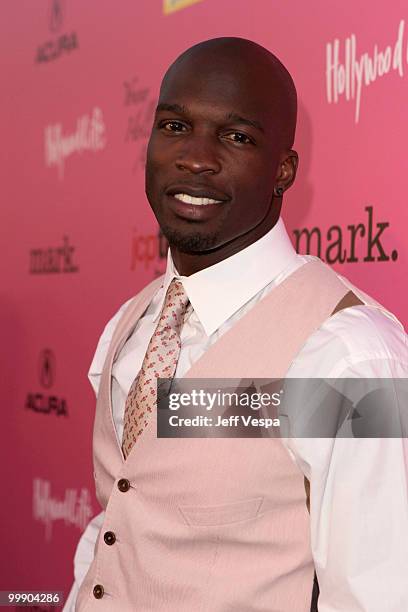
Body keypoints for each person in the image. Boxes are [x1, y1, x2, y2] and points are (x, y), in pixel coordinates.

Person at [64, 37, 408, 611]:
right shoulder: (131, 325)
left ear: (285, 170)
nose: (195, 158)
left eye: (237, 137)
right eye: (174, 127)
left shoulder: (351, 356)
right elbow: (117, 523)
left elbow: (380, 593)